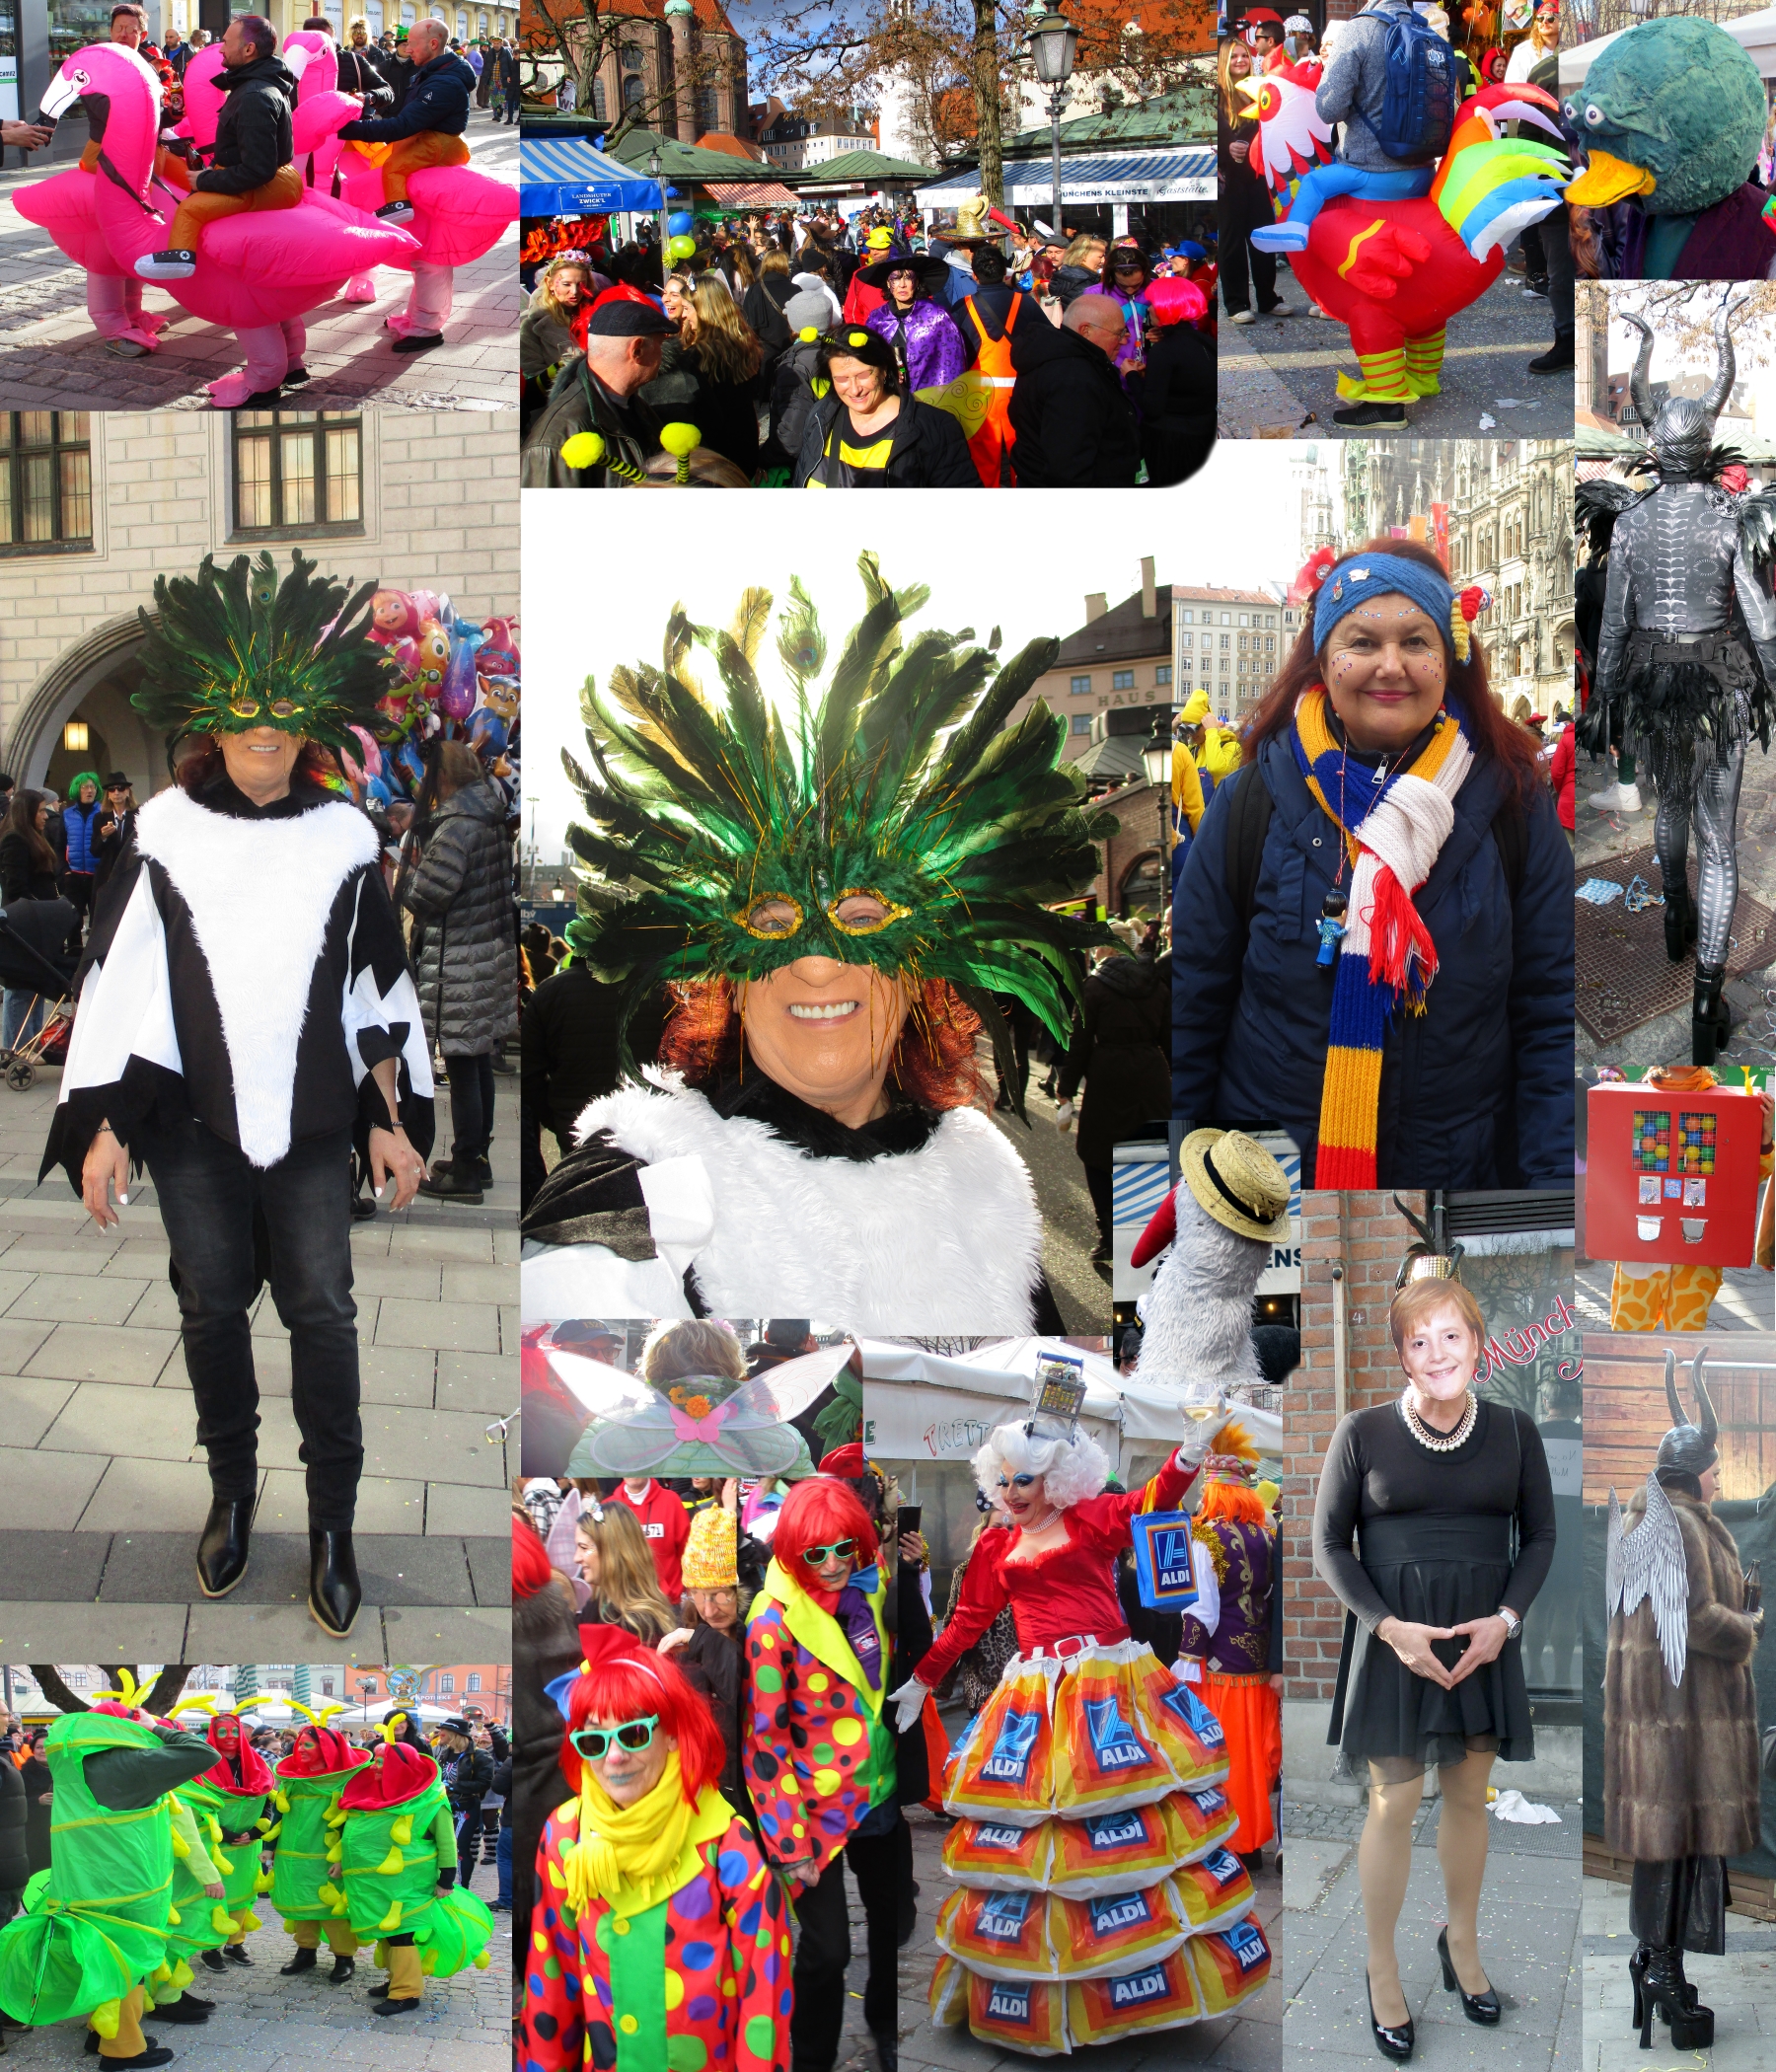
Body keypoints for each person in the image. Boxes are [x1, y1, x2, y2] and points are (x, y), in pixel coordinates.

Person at [521, 555, 1112, 1330]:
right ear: (723, 973)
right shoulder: (635, 1194)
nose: (816, 958)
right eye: (769, 921)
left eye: (863, 915)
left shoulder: (984, 1181)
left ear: (922, 967)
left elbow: (1054, 1421)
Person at [51, 551, 435, 1639]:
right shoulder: (165, 834)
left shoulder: (344, 839)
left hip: (315, 1130)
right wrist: (108, 1127)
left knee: (323, 1316)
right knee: (211, 1310)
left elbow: (377, 989)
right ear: (208, 724)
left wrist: (393, 1123)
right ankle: (232, 1489)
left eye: (283, 715)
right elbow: (128, 988)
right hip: (195, 1135)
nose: (264, 732)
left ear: (312, 723)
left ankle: (332, 1526)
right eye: (242, 713)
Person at [1170, 538, 1573, 1187]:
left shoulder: (1511, 799)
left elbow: (1550, 1011)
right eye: (1362, 642)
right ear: (1324, 660)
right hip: (1270, 1190)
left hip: (1453, 1184)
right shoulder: (1255, 799)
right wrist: (1178, 1178)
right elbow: (1192, 1003)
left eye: (1417, 641)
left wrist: (1550, 1192)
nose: (1391, 665)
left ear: (1451, 658)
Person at [887, 1392, 1264, 2055]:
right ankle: (1055, 1991)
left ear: (1057, 1477)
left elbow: (1150, 1501)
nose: (1012, 1491)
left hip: (1107, 1685)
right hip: (1033, 1694)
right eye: (1002, 1480)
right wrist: (921, 1682)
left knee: (1124, 1827)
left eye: (1025, 1478)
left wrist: (1192, 1451)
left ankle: (1133, 1983)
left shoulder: (1090, 1519)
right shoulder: (996, 1542)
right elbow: (969, 1620)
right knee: (1040, 1833)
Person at [1312, 1272, 1555, 2057]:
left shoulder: (1517, 1430)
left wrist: (1507, 1622)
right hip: (1397, 1643)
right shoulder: (1361, 1432)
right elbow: (1327, 1546)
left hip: (1483, 1638)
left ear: (1478, 1344)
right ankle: (1382, 1967)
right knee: (1392, 1802)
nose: (1436, 1352)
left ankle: (1461, 1945)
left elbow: (1542, 1537)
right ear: (1401, 1357)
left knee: (1469, 1799)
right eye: (1419, 1341)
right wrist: (1387, 1628)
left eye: (1451, 1335)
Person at [1584, 308, 1773, 1063]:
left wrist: (1603, 697)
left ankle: (1673, 922)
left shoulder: (1629, 522)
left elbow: (1614, 626)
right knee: (1717, 841)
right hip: (1718, 682)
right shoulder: (1729, 514)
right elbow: (1761, 620)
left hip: (1653, 685)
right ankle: (1705, 1003)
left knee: (1671, 805)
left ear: (1659, 451)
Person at [518, 1626, 788, 2072]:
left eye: (634, 1734)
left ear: (673, 1735)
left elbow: (765, 1999)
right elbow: (552, 1980)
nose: (614, 1756)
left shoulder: (726, 1841)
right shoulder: (564, 1834)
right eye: (594, 1739)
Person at [1603, 1347, 1758, 2050]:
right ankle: (1662, 1972)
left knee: (1673, 1848)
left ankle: (1656, 1967)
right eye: (1716, 1470)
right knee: (1673, 1847)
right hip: (1679, 1728)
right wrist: (1747, 1625)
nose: (1721, 1480)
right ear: (1696, 1472)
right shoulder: (1682, 1525)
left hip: (1666, 1721)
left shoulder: (1654, 1521)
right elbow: (1694, 1619)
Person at [746, 1475, 899, 2072]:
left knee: (889, 1930)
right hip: (815, 1816)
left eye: (844, 1548)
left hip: (880, 1797)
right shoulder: (772, 1623)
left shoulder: (873, 1587)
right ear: (791, 1552)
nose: (833, 1565)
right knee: (828, 1951)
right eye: (816, 1553)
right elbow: (767, 1745)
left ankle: (885, 2033)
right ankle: (811, 2060)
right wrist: (789, 1848)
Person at [0, 1687, 218, 2067]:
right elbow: (203, 1753)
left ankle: (99, 2033)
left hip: (81, 1883)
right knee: (127, 1966)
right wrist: (160, 1726)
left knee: (101, 1959)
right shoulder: (130, 1766)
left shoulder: (70, 1762)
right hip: (128, 1887)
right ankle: (122, 2050)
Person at [399, 740, 516, 1206]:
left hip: (460, 960)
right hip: (488, 956)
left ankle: (467, 1168)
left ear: (443, 778)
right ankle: (476, 1158)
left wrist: (405, 874)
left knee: (464, 1066)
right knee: (477, 1059)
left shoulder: (456, 826)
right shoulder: (489, 816)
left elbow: (429, 895)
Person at [337, 1717, 491, 2015]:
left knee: (402, 1932)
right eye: (375, 1761)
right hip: (377, 1883)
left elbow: (448, 1843)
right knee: (387, 1930)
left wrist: (446, 1879)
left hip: (410, 1882)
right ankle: (396, 1979)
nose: (375, 1767)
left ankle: (406, 1993)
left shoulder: (430, 1800)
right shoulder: (371, 1795)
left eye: (382, 1763)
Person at [1177, 1433, 1281, 1871]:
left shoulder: (1206, 1536)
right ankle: (1252, 1842)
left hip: (1217, 1667)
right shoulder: (1267, 1534)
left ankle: (1229, 1840)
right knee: (1255, 1757)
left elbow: (1203, 1608)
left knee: (1223, 1754)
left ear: (1213, 1490)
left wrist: (1186, 1659)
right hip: (1257, 1665)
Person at [137, 16, 299, 282]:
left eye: (225, 42)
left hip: (267, 185)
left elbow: (258, 170)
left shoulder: (254, 97)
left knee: (192, 208)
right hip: (266, 177)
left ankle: (181, 258)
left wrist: (207, 179)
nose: (220, 48)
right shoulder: (254, 86)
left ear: (248, 49)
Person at [1057, 936, 1169, 1263]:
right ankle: (1148, 1231)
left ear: (1106, 951)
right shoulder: (1156, 984)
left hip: (1108, 1078)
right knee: (1150, 1152)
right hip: (1152, 1076)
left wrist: (1066, 1085)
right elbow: (1171, 1037)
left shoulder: (1093, 987)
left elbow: (1079, 1040)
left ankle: (1109, 1234)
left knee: (1098, 1156)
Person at [522, 287, 675, 486]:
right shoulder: (554, 442)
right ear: (636, 350)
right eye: (659, 345)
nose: (662, 354)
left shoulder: (632, 403)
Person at [792, 325, 980, 486]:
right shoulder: (821, 417)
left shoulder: (934, 427)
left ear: (883, 371)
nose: (855, 389)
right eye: (841, 379)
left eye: (863, 375)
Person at [658, 1488, 751, 1815]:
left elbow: (738, 1685)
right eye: (699, 1595)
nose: (709, 1610)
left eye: (720, 1595)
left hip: (748, 1796)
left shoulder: (755, 1631)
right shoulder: (680, 1641)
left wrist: (700, 1640)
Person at [335, 17, 472, 227]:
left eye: (412, 44)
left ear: (433, 44)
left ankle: (398, 206)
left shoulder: (444, 83)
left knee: (395, 166)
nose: (408, 50)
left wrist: (343, 129)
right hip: (425, 138)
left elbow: (403, 126)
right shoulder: (432, 73)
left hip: (434, 142)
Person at [175, 1699, 275, 1975]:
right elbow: (200, 1803)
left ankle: (235, 1943)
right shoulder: (201, 1766)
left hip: (246, 1846)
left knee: (242, 1895)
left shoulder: (256, 1764)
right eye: (222, 1732)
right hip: (215, 1843)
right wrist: (226, 1834)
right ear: (212, 1735)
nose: (229, 1738)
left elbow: (267, 1800)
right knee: (213, 1895)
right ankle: (211, 1947)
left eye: (234, 1732)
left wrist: (256, 1831)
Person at [1007, 295, 1143, 485]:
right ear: (1085, 330)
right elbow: (1068, 463)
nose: (1123, 341)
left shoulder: (1053, 357)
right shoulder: (1075, 379)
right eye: (1119, 333)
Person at [675, 274, 765, 478]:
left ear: (705, 310)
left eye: (688, 308)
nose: (684, 315)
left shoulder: (698, 356)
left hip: (716, 451)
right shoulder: (744, 342)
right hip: (746, 438)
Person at [951, 242, 1024, 485]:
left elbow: (953, 352)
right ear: (1005, 273)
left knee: (983, 461)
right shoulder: (1025, 304)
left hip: (978, 396)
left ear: (974, 275)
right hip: (1019, 394)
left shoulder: (963, 307)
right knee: (1023, 456)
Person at [1132, 274, 1215, 486]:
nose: (1148, 309)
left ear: (1164, 307)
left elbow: (1152, 406)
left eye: (1152, 304)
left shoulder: (1165, 350)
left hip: (1171, 443)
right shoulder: (1205, 341)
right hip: (1204, 432)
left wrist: (1131, 376)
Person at [575, 1499, 680, 1645]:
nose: (576, 1558)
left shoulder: (636, 1624)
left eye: (584, 1548)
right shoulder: (600, 1603)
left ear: (611, 1549)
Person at [860, 254, 967, 393]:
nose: (902, 285)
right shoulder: (877, 318)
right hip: (890, 396)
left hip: (928, 398)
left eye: (908, 278)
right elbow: (868, 359)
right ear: (888, 283)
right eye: (895, 279)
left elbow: (953, 363)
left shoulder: (937, 317)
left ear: (916, 283)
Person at [603, 1460, 693, 1603]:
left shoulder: (671, 1501)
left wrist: (690, 1593)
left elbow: (688, 1552)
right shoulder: (607, 1508)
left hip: (669, 1602)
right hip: (627, 1603)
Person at [521, 252, 595, 424]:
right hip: (558, 415)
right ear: (550, 283)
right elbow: (531, 381)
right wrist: (562, 370)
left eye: (581, 284)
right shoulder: (531, 326)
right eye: (566, 284)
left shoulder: (597, 316)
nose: (574, 291)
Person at [433, 1715, 493, 1887]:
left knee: (459, 1849)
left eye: (443, 1730)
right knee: (442, 1847)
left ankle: (461, 1888)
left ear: (455, 1733)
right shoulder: (445, 1753)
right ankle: (443, 1883)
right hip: (443, 1807)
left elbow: (484, 1783)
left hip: (465, 1808)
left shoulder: (480, 1755)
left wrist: (454, 1786)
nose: (440, 1733)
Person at [59, 771, 104, 940]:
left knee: (98, 921)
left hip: (96, 875)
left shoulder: (103, 812)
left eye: (92, 786)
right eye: (85, 787)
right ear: (77, 790)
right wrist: (64, 870)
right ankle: (74, 952)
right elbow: (60, 844)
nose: (89, 790)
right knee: (72, 920)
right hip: (74, 875)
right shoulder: (67, 814)